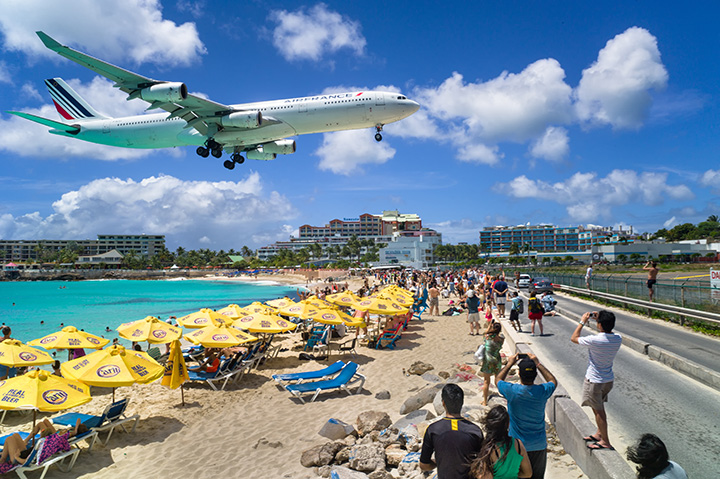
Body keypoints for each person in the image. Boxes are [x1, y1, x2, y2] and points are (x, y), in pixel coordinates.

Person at [496, 354, 557, 479]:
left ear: (519, 374)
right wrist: (538, 363)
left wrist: (509, 363)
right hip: (539, 444)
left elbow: (498, 380)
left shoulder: (512, 391)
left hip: (517, 445)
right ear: (535, 374)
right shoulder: (542, 391)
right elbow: (553, 381)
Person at [571, 310, 622, 451]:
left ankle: (605, 441)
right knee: (599, 406)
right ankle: (599, 433)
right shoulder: (618, 338)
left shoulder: (595, 340)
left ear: (599, 325)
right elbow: (606, 331)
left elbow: (574, 338)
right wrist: (599, 319)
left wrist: (582, 321)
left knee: (599, 412)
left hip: (594, 381)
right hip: (607, 380)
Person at [420, 383, 484, 478]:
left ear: (443, 403)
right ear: (462, 403)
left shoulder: (433, 430)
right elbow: (482, 463)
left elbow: (424, 465)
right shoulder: (475, 431)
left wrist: (438, 463)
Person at [469, 405, 532, 479]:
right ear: (508, 425)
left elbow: (485, 477)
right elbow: (528, 473)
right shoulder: (518, 444)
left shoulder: (489, 449)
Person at [478, 321, 504, 406]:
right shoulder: (501, 339)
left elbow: (485, 332)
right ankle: (503, 396)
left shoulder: (487, 337)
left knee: (486, 382)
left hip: (488, 361)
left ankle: (485, 401)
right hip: (497, 360)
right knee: (498, 381)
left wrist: (489, 326)